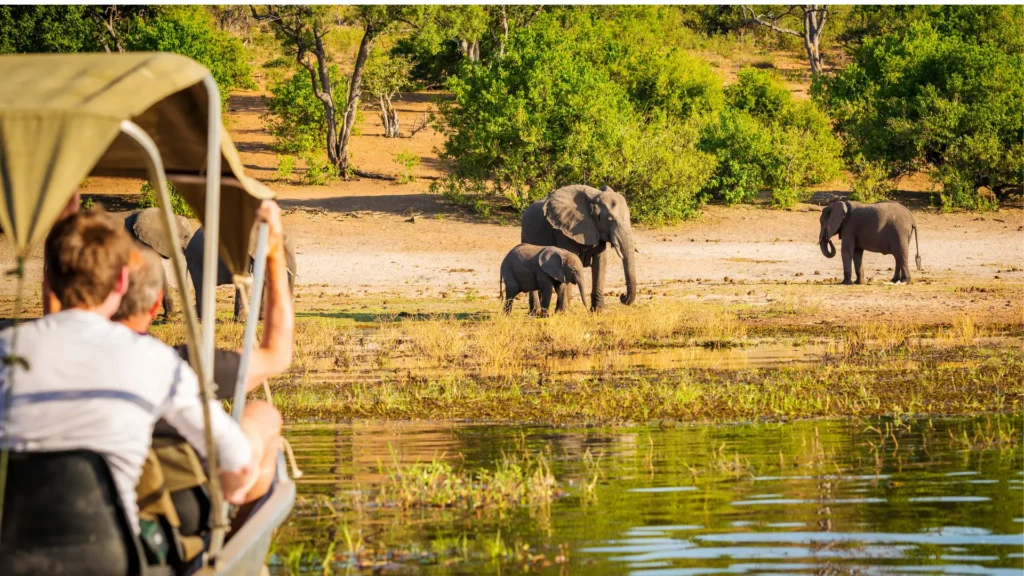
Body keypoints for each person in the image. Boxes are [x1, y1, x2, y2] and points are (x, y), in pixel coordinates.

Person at [0, 209, 260, 535]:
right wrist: (230, 492)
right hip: (115, 552)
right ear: (122, 281)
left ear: (48, 280)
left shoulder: (5, 350)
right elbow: (235, 456)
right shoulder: (153, 359)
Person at [115, 200, 291, 537]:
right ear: (156, 304)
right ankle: (229, 543)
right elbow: (278, 355)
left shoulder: (17, 356)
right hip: (162, 526)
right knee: (263, 416)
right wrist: (274, 254)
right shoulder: (171, 368)